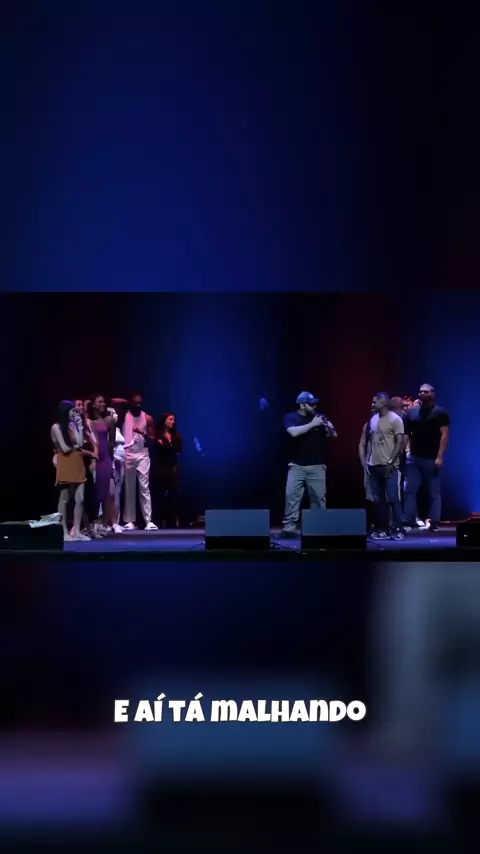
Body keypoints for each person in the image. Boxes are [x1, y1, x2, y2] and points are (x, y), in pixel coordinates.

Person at [278, 391, 337, 539]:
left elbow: (333, 435)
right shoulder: (291, 417)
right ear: (302, 405)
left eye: (315, 403)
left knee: (318, 498)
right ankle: (289, 528)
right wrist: (312, 425)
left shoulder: (319, 417)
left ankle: (318, 528)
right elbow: (293, 433)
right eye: (311, 404)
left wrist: (329, 428)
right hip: (296, 465)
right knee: (291, 496)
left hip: (317, 465)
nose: (314, 406)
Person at [402, 384, 450, 533]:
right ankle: (407, 520)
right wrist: (405, 451)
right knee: (410, 490)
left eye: (426, 391)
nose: (422, 393)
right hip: (414, 457)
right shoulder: (412, 412)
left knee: (434, 491)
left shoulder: (440, 412)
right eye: (420, 391)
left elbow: (444, 435)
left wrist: (440, 456)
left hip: (431, 458)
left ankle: (434, 520)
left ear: (432, 394)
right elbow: (406, 434)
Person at [359, 393, 405, 541]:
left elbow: (400, 442)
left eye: (375, 402)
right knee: (378, 500)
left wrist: (391, 461)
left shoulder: (395, 419)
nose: (372, 405)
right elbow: (366, 443)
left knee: (392, 497)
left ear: (383, 403)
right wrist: (365, 462)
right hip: (374, 465)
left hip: (389, 465)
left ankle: (398, 528)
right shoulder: (373, 419)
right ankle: (382, 528)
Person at [51, 401, 90, 541]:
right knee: (65, 498)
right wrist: (75, 447)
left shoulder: (72, 425)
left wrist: (80, 426)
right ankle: (64, 532)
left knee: (80, 498)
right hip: (66, 462)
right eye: (72, 411)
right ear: (65, 412)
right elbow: (65, 448)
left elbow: (80, 443)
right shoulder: (56, 427)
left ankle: (77, 531)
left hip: (78, 462)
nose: (75, 413)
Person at [122, 394, 158, 531]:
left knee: (144, 487)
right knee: (129, 488)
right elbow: (112, 402)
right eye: (135, 403)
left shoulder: (147, 418)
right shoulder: (124, 415)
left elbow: (153, 438)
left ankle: (148, 521)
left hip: (142, 454)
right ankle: (130, 521)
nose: (138, 405)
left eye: (140, 403)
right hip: (128, 453)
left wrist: (142, 432)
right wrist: (126, 401)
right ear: (130, 403)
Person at [89, 394, 116, 535]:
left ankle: (105, 524)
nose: (103, 404)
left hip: (105, 457)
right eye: (100, 402)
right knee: (94, 491)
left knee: (106, 491)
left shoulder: (109, 420)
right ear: (93, 404)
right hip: (93, 457)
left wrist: (109, 459)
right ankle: (93, 523)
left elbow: (112, 442)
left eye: (104, 401)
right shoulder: (89, 421)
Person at [155, 412, 183, 528]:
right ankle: (159, 520)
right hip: (162, 466)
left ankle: (172, 521)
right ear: (164, 421)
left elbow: (178, 449)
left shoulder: (176, 435)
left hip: (173, 467)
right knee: (160, 494)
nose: (172, 422)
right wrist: (167, 445)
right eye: (170, 419)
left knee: (173, 494)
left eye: (173, 420)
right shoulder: (159, 434)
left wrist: (169, 444)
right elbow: (160, 448)